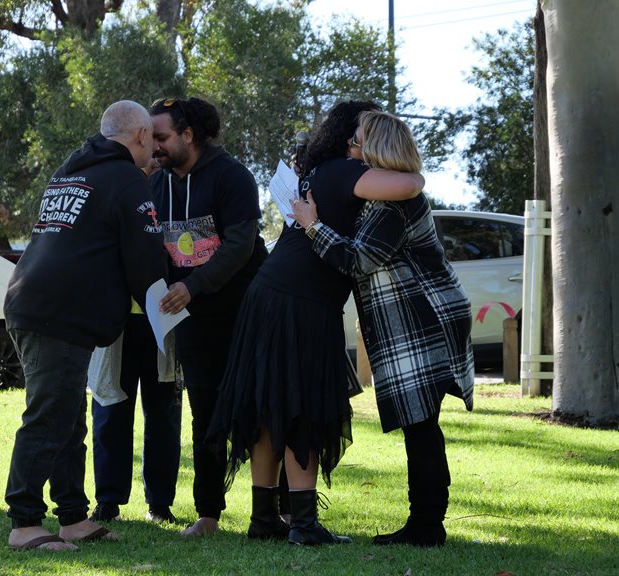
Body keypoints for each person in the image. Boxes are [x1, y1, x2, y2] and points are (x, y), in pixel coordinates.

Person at [208, 100, 424, 546]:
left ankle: (264, 518)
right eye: (363, 134)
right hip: (302, 302)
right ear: (350, 140)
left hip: (269, 291)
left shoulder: (317, 173)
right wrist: (416, 171)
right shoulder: (346, 172)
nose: (364, 142)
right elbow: (408, 185)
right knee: (299, 402)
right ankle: (303, 524)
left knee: (268, 405)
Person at [290, 109, 475, 547]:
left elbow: (359, 259)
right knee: (422, 423)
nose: (350, 151)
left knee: (422, 424)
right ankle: (426, 523)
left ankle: (427, 526)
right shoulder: (387, 198)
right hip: (420, 316)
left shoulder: (394, 203)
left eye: (356, 144)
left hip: (423, 318)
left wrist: (311, 225)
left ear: (375, 149)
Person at [3, 100, 168, 552]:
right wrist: (172, 294)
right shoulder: (126, 180)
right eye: (152, 140)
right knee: (50, 416)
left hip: (31, 301)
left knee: (68, 418)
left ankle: (73, 517)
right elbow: (145, 259)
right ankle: (24, 522)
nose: (155, 150)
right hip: (60, 312)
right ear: (137, 136)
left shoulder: (71, 171)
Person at [148, 96, 268, 537]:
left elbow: (239, 245)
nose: (154, 146)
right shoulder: (155, 184)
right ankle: (209, 514)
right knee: (205, 413)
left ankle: (270, 512)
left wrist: (192, 285)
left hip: (244, 312)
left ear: (188, 134)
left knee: (258, 409)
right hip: (190, 318)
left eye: (161, 137)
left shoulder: (232, 176)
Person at [88, 160, 182, 526]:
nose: (153, 157)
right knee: (110, 409)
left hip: (163, 319)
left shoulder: (171, 190)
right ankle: (108, 500)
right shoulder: (108, 189)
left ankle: (160, 502)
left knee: (164, 414)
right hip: (115, 323)